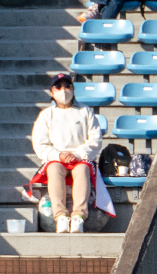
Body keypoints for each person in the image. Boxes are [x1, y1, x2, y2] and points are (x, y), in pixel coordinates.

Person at [30, 74, 104, 234]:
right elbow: (40, 143)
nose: (63, 90)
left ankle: (78, 216)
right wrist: (59, 155)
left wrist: (78, 154)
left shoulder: (86, 111)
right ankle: (61, 216)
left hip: (80, 159)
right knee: (54, 170)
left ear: (73, 89)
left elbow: (95, 139)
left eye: (67, 86)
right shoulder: (46, 115)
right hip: (57, 159)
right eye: (58, 87)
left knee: (82, 170)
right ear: (51, 92)